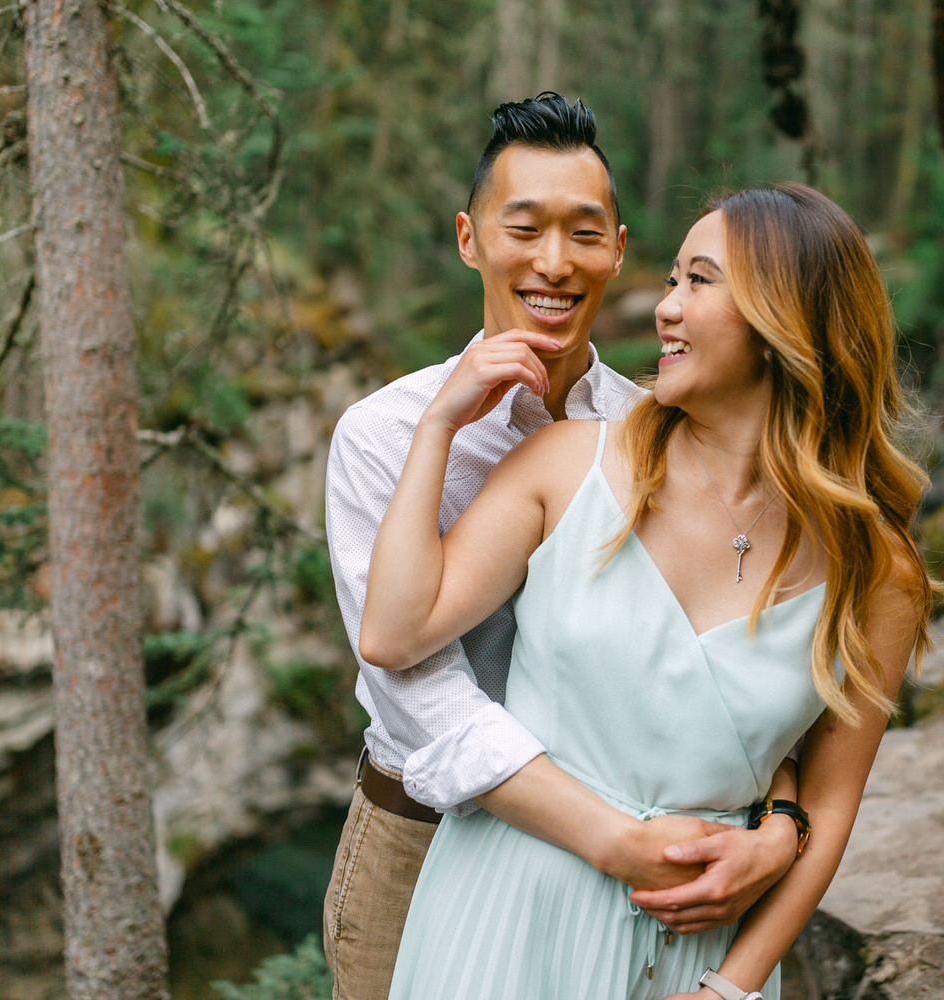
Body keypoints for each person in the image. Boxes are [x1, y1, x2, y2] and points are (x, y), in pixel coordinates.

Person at [362, 183, 941, 999]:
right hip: (506, 920)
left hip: (694, 953)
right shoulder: (568, 465)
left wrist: (733, 988)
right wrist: (436, 429)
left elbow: (831, 804)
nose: (665, 309)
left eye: (698, 282)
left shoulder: (877, 571)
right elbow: (394, 634)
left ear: (786, 322)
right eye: (672, 279)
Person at [321, 93, 803, 1000]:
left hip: (637, 857)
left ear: (619, 251)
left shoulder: (654, 425)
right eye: (523, 228)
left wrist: (780, 819)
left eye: (584, 233)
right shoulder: (384, 434)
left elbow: (729, 644)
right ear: (469, 239)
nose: (554, 263)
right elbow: (419, 691)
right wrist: (608, 838)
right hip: (420, 837)